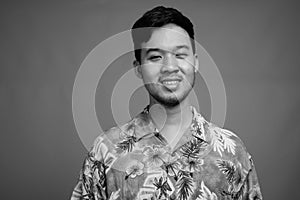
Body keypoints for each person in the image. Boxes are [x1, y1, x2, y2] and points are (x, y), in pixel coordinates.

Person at [71, 6, 262, 200]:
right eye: (155, 57)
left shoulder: (232, 152)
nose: (170, 67)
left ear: (195, 62)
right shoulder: (105, 151)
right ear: (138, 68)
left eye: (180, 55)